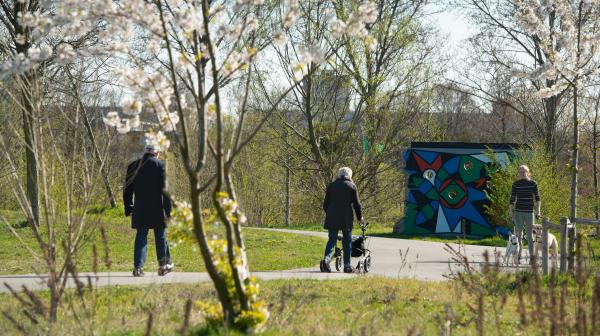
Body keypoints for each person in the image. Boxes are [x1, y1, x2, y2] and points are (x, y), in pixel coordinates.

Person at [124, 144, 173, 277]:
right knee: (160, 237)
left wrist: (129, 207)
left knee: (141, 237)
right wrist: (169, 212)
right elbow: (166, 192)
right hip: (158, 209)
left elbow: (127, 190)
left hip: (140, 208)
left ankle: (138, 268)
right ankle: (163, 266)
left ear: (145, 152)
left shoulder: (133, 166)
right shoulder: (161, 166)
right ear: (156, 153)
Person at [320, 167, 364, 273]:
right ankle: (347, 266)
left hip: (332, 216)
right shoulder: (352, 186)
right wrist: (359, 218)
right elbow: (357, 205)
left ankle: (326, 260)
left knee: (332, 240)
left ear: (339, 175)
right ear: (349, 175)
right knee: (347, 241)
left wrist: (330, 213)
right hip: (346, 217)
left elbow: (325, 204)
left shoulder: (332, 186)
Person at [509, 164, 541, 265]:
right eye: (520, 172)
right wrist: (511, 212)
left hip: (529, 212)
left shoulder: (533, 183)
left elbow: (538, 198)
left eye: (524, 172)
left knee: (530, 236)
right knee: (519, 235)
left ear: (528, 172)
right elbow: (512, 199)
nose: (522, 174)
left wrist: (538, 211)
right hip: (518, 212)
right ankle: (518, 256)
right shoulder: (516, 184)